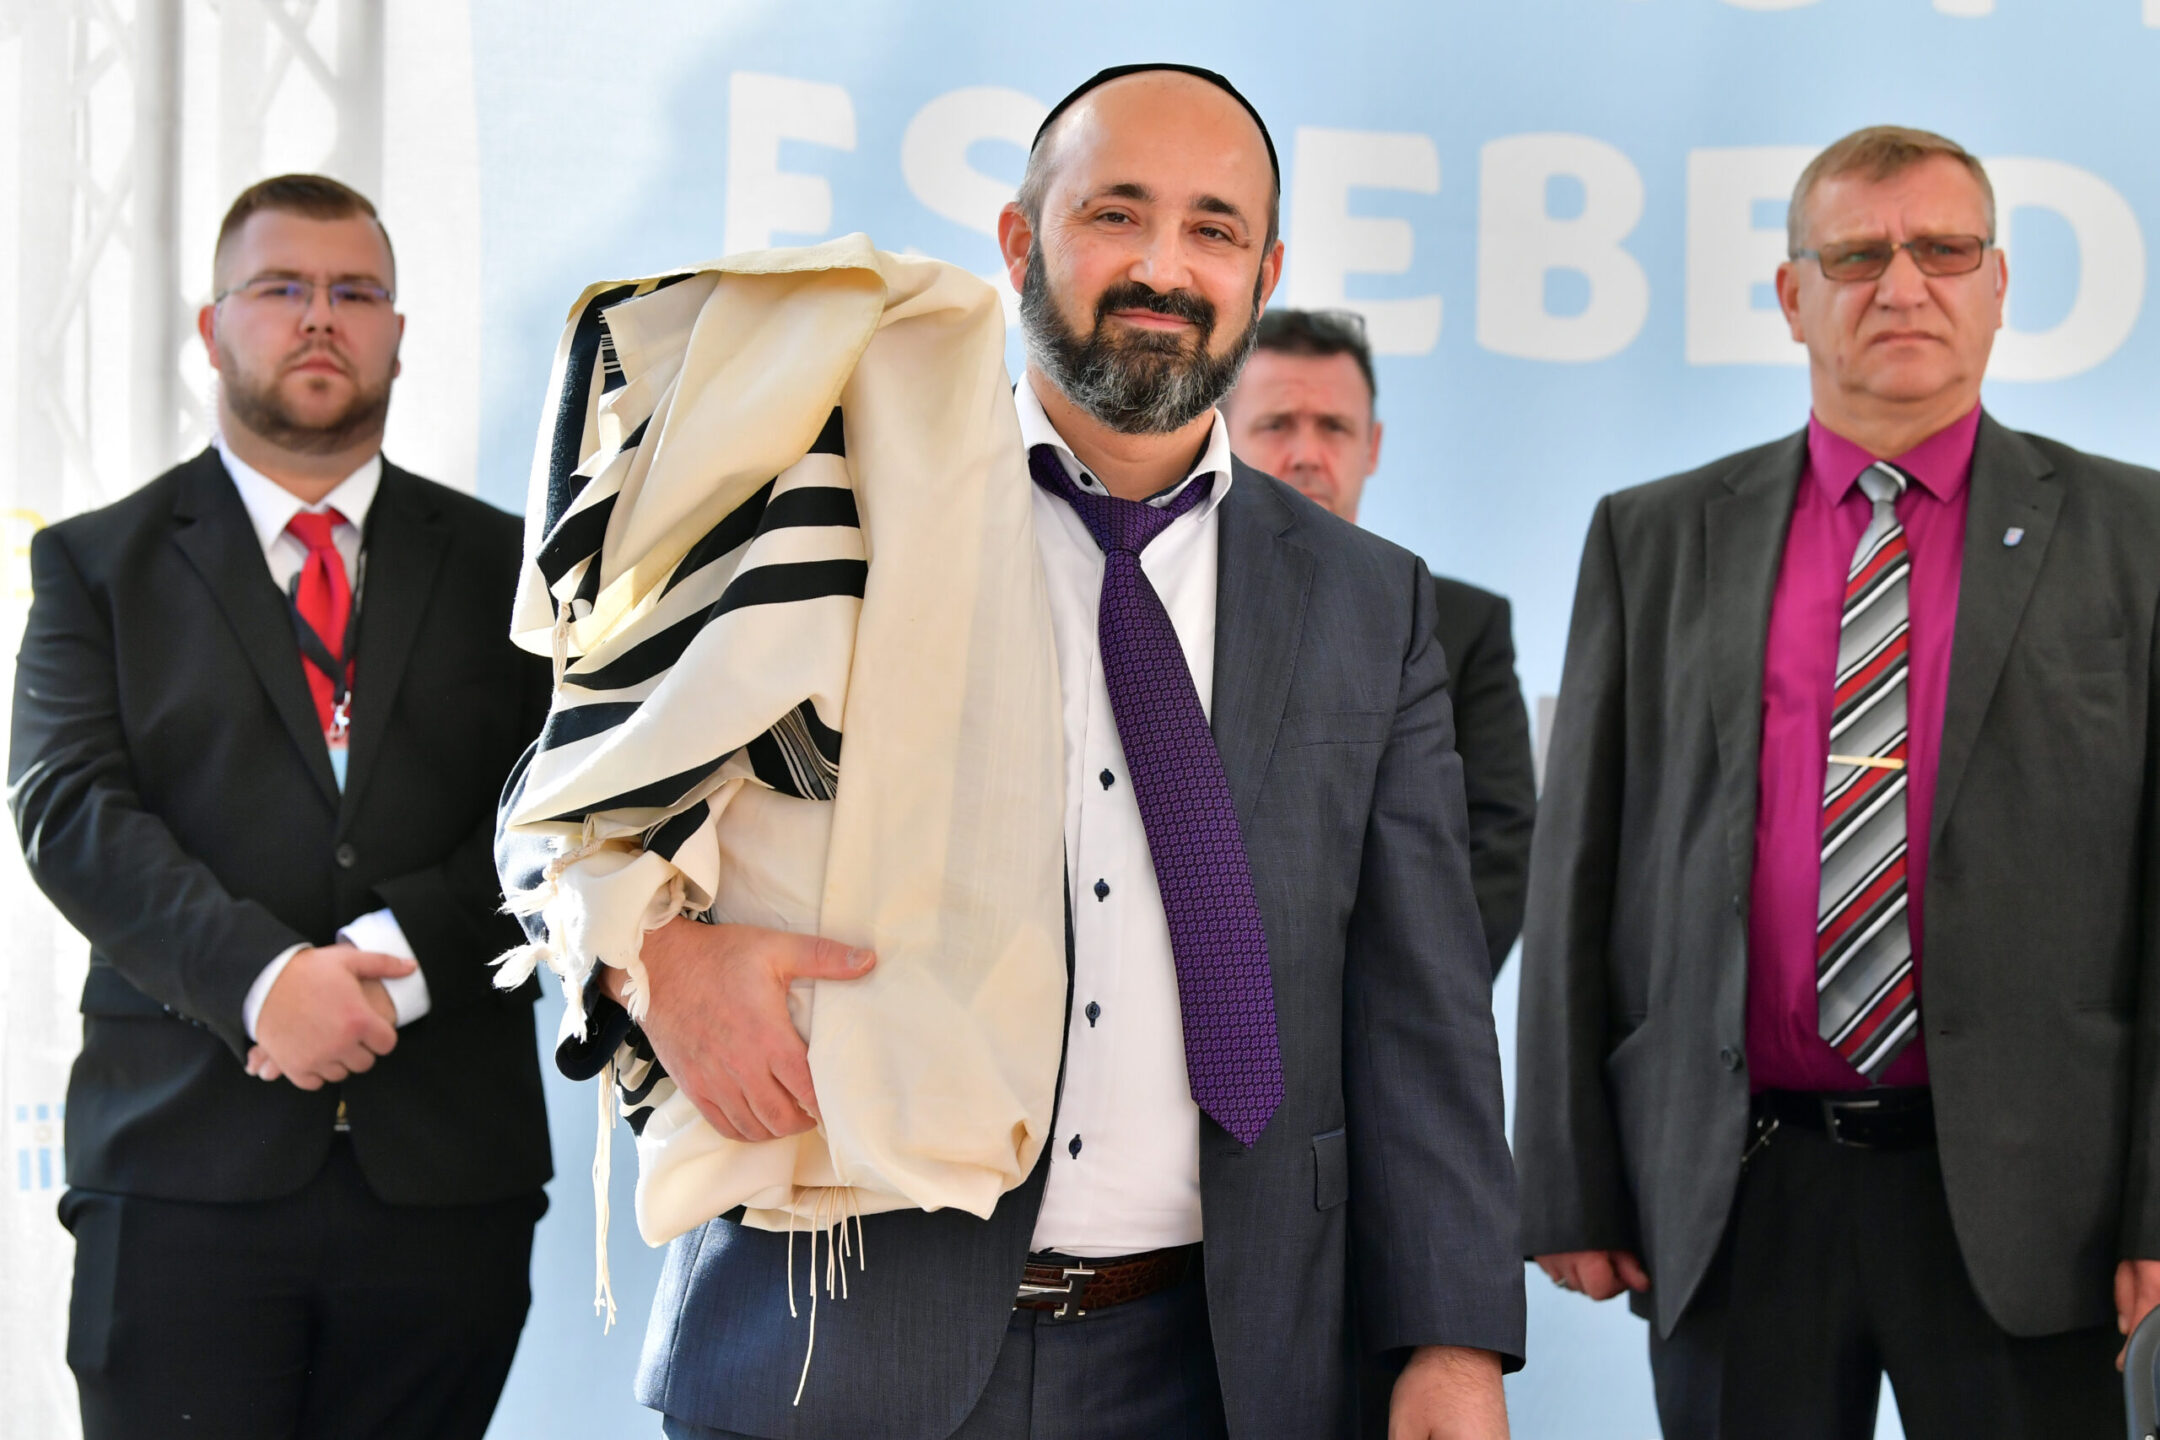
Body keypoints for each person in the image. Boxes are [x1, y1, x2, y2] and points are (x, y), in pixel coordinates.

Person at [508, 63, 1523, 1440]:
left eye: (1214, 230)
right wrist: (655, 957)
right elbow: (564, 807)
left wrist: (1452, 1347)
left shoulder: (1373, 603)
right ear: (1017, 241)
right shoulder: (828, 496)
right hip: (830, 1342)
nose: (1164, 265)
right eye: (1117, 213)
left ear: (1265, 269)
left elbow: (1423, 1017)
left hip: (1224, 1370)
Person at [1515, 124, 2160, 1438]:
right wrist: (1565, 1179)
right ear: (1792, 293)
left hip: (2038, 1204)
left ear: (1999, 283)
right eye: (1858, 253)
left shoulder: (2136, 537)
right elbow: (1581, 862)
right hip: (1736, 1189)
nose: (1902, 284)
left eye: (1944, 250)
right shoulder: (1653, 536)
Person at [9, 174, 553, 1439]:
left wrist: (388, 962)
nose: (322, 318)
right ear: (213, 328)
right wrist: (266, 980)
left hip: (445, 1182)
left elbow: (559, 812)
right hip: (181, 1174)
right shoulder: (97, 565)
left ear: (400, 335)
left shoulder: (513, 569)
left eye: (355, 292)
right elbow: (69, 808)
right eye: (283, 289)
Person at [1224, 308, 1537, 974]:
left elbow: (1499, 847)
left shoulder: (1462, 625)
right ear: (1220, 436)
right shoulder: (1158, 606)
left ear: (1373, 446)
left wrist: (1401, 1005)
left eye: (1333, 427)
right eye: (1277, 424)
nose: (1306, 453)